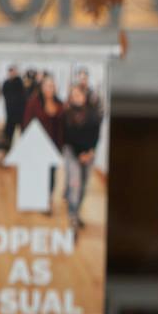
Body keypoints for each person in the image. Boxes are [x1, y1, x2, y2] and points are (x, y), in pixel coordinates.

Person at [61, 80, 104, 232]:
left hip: (89, 153)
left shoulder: (93, 114)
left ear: (84, 96)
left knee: (84, 185)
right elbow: (68, 136)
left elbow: (96, 133)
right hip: (72, 152)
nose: (76, 97)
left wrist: (91, 151)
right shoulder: (66, 114)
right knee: (75, 183)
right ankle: (72, 214)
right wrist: (79, 154)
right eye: (73, 95)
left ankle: (77, 212)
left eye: (79, 94)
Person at [23, 71, 66, 207]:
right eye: (47, 85)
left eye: (52, 86)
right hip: (37, 145)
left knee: (52, 174)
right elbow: (26, 123)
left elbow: (63, 126)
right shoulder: (33, 102)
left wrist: (62, 146)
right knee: (38, 174)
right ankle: (37, 197)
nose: (50, 88)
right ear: (42, 87)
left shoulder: (60, 104)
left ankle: (48, 199)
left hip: (54, 145)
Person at [0, 65, 28, 149]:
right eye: (10, 71)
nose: (11, 73)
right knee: (9, 131)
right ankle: (7, 146)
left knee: (20, 130)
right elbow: (4, 94)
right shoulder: (6, 83)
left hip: (19, 111)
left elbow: (22, 96)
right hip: (10, 111)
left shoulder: (19, 82)